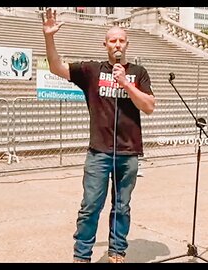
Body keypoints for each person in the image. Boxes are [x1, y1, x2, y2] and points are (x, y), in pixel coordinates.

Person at [42, 8, 155, 263]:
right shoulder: (91, 71)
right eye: (112, 40)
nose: (117, 44)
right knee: (90, 206)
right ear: (105, 44)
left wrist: (126, 83)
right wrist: (49, 37)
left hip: (129, 154)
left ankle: (117, 251)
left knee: (122, 207)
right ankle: (82, 255)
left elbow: (149, 107)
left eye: (121, 40)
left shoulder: (138, 72)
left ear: (127, 44)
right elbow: (56, 67)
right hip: (99, 153)